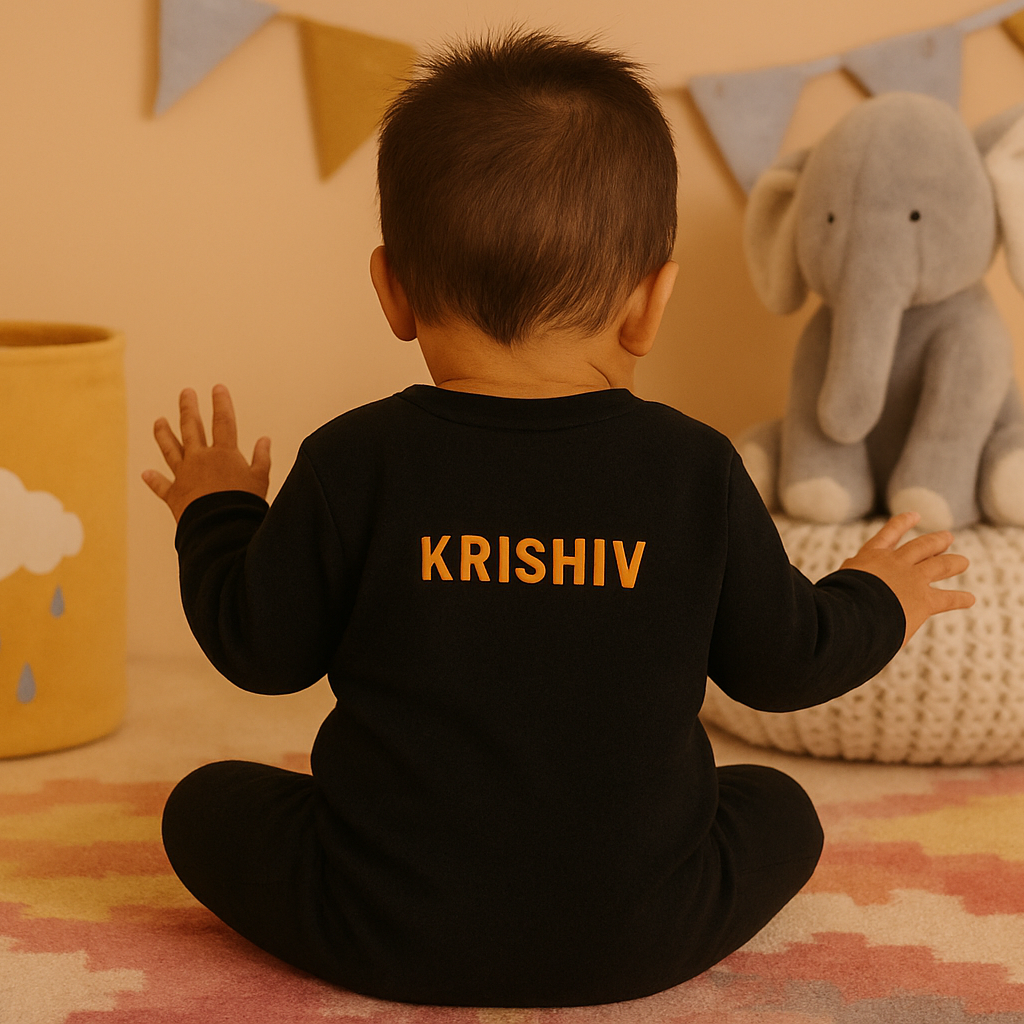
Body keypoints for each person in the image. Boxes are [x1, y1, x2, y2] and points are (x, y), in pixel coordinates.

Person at [143, 30, 974, 1008]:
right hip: (639, 931)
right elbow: (784, 663)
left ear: (393, 290)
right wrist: (878, 597)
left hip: (379, 921)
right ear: (649, 303)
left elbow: (259, 647)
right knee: (779, 807)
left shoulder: (352, 461)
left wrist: (218, 512)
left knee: (201, 807)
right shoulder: (690, 468)